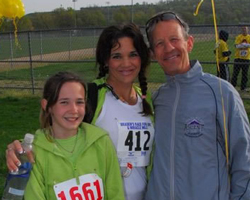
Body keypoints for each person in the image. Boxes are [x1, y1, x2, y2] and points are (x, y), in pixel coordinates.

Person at [6, 23, 155, 200]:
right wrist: (22, 148)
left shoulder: (147, 100)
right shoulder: (91, 95)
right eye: (116, 56)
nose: (126, 63)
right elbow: (59, 130)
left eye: (133, 54)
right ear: (106, 60)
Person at [144, 11, 250, 200]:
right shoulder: (157, 99)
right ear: (153, 54)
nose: (168, 48)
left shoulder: (221, 92)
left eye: (174, 39)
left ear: (189, 43)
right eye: (159, 43)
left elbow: (244, 161)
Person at [231, 26, 250, 92]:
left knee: (245, 74)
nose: (244, 30)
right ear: (241, 30)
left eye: (245, 29)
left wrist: (241, 45)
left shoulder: (249, 37)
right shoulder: (239, 37)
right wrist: (246, 45)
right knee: (235, 73)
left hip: (246, 58)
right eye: (243, 29)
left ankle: (243, 88)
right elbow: (236, 46)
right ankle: (233, 86)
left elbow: (239, 46)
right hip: (238, 58)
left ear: (248, 30)